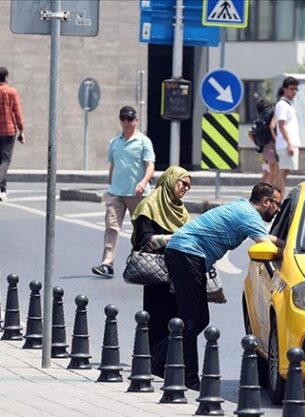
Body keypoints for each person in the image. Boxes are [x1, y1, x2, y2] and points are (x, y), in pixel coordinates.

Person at [164, 182, 283, 389]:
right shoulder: (249, 215)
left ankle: (157, 359)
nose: (278, 210)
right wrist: (288, 252)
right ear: (266, 201)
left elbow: (270, 238)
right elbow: (265, 244)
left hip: (187, 254)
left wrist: (286, 242)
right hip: (187, 253)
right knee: (191, 320)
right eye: (277, 204)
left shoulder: (244, 209)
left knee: (199, 319)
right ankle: (189, 378)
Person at [129, 166, 191, 378]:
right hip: (156, 275)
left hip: (177, 274)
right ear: (170, 181)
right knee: (156, 320)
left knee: (177, 320)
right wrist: (170, 239)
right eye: (183, 183)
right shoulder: (149, 206)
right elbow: (143, 241)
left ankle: (168, 365)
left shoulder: (181, 211)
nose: (185, 189)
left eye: (188, 186)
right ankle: (153, 365)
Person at [92, 106, 156, 277]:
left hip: (138, 195)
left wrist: (143, 181)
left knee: (141, 230)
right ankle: (107, 263)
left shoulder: (144, 142)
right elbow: (113, 165)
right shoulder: (114, 142)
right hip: (116, 193)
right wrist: (110, 185)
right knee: (111, 227)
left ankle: (143, 262)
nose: (126, 122)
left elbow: (150, 165)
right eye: (123, 119)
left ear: (136, 120)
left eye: (129, 119)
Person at [0, 66, 24, 202]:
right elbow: (17, 113)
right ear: (6, 78)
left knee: (1, 160)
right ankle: (1, 188)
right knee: (5, 160)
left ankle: (3, 191)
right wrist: (21, 130)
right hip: (9, 131)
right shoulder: (12, 92)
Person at [274, 77, 301, 196]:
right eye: (291, 89)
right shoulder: (282, 105)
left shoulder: (289, 104)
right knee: (282, 171)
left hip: (289, 143)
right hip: (286, 144)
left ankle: (279, 196)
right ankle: (279, 198)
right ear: (285, 89)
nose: (294, 92)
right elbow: (281, 124)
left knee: (285, 171)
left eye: (296, 89)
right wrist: (289, 143)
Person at [250, 98, 277, 186]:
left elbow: (250, 133)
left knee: (266, 171)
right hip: (269, 147)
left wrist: (257, 143)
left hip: (261, 150)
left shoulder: (260, 118)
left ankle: (261, 190)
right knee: (271, 172)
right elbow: (272, 127)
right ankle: (265, 190)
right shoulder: (270, 114)